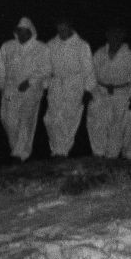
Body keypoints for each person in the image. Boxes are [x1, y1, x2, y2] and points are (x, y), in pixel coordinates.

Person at [0, 19, 51, 161]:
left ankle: (20, 154)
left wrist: (30, 81)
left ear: (31, 32)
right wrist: (0, 87)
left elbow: (46, 68)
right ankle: (16, 148)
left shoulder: (41, 48)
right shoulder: (7, 46)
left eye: (25, 32)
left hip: (31, 90)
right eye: (19, 32)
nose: (22, 35)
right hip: (9, 91)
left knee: (26, 120)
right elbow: (1, 68)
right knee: (8, 119)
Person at [86, 26, 131, 159]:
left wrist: (130, 95)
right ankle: (98, 153)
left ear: (122, 37)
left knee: (117, 127)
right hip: (100, 91)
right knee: (96, 123)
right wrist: (91, 90)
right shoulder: (100, 53)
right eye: (112, 35)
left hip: (121, 93)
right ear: (107, 36)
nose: (114, 38)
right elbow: (90, 73)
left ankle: (111, 156)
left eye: (118, 35)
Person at [43, 19, 94, 158]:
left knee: (69, 119)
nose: (61, 32)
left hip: (74, 85)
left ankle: (62, 152)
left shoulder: (82, 45)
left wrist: (88, 89)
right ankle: (56, 149)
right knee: (50, 119)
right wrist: (45, 85)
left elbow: (88, 69)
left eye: (64, 29)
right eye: (59, 29)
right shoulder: (51, 44)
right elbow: (46, 67)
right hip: (56, 85)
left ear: (70, 27)